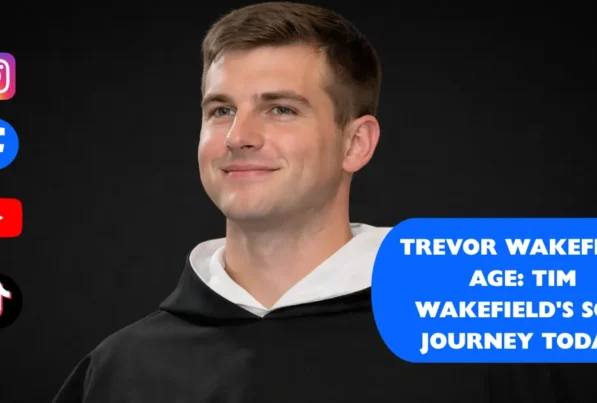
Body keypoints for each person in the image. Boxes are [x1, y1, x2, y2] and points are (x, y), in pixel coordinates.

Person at [53, 2, 569, 402]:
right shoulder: (119, 369)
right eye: (220, 110)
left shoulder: (481, 349)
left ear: (355, 144)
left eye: (280, 108)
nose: (239, 136)